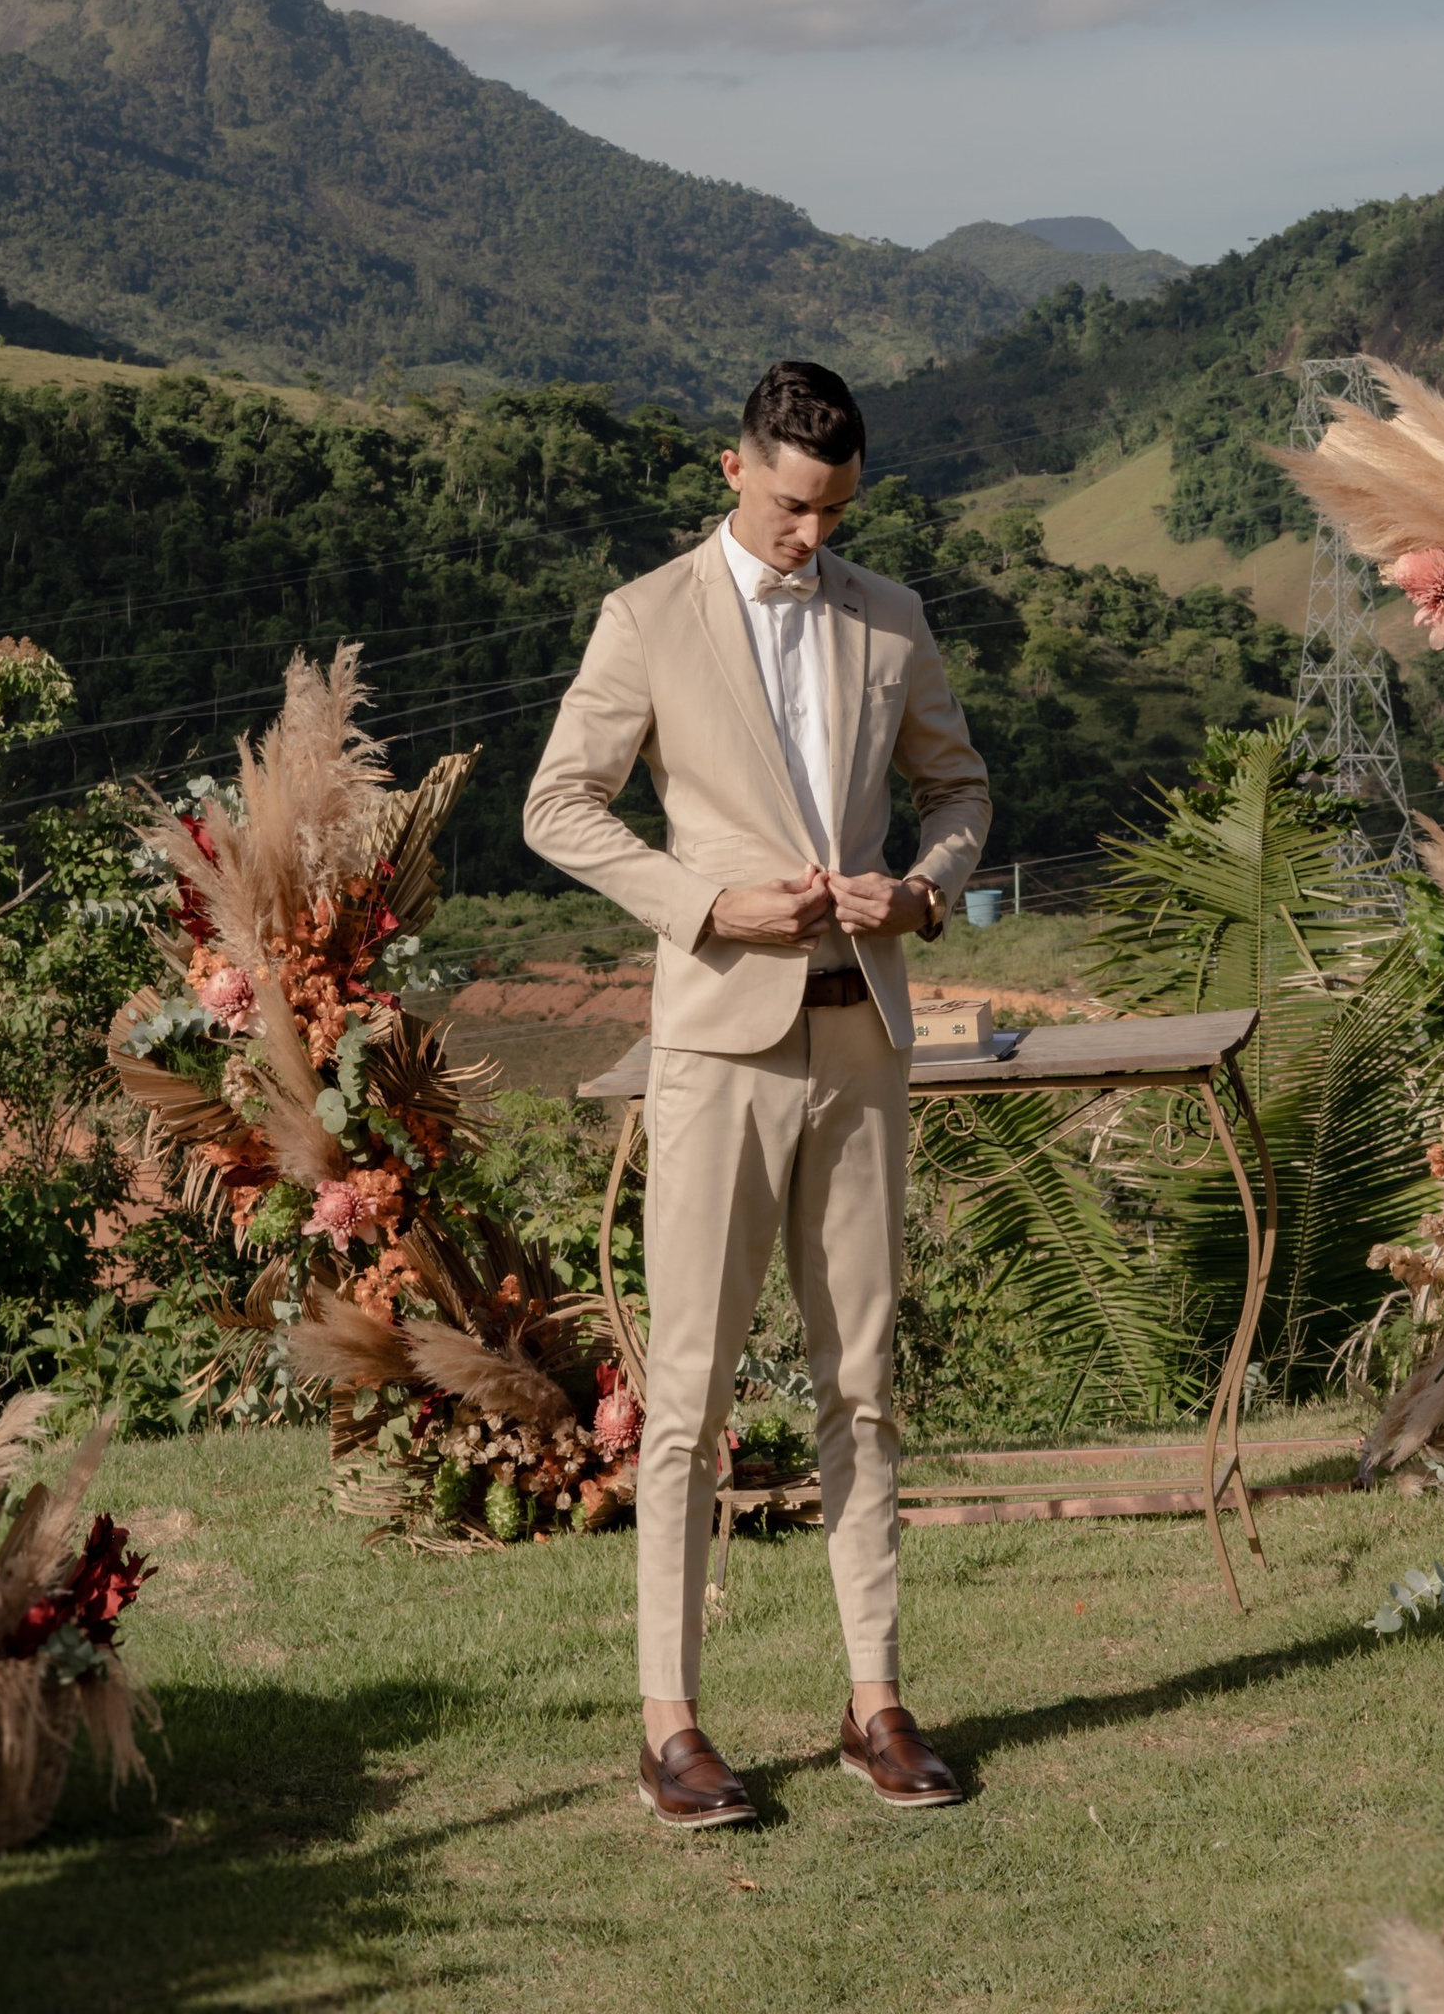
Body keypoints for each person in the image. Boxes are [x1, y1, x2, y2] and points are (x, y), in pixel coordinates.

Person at [522, 356, 992, 1830]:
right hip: (718, 1046)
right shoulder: (643, 618)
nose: (812, 536)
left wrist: (920, 892)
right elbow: (558, 806)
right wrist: (709, 906)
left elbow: (962, 794)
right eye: (793, 507)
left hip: (863, 1047)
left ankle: (877, 1703)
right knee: (689, 1392)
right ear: (735, 471)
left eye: (835, 511)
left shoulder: (892, 617)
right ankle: (671, 1724)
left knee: (864, 1383)